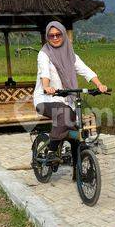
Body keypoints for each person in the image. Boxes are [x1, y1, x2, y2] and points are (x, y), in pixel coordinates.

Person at [33, 21, 108, 167]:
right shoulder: (44, 54)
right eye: (51, 36)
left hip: (68, 100)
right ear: (47, 37)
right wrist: (47, 86)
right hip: (45, 99)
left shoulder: (71, 54)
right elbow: (44, 73)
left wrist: (99, 85)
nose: (55, 38)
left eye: (58, 34)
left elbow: (84, 70)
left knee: (76, 130)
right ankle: (51, 151)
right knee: (65, 114)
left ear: (64, 35)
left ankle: (78, 171)